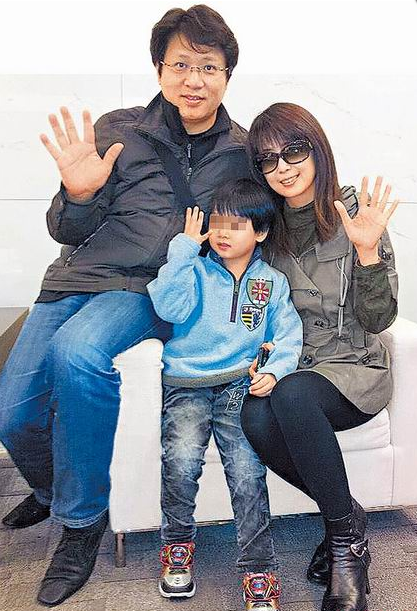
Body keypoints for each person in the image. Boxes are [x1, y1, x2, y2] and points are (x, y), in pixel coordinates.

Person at [0, 5, 252, 607]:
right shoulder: (120, 128)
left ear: (227, 76)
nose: (194, 80)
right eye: (181, 64)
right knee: (11, 414)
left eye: (209, 67)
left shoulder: (241, 152)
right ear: (159, 68)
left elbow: (260, 227)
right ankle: (54, 488)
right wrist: (77, 193)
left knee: (78, 353)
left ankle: (81, 522)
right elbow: (65, 227)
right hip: (75, 278)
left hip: (150, 288)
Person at [241, 102, 399, 611]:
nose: (283, 167)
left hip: (355, 368)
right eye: (268, 159)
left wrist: (368, 253)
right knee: (253, 414)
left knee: (291, 397)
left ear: (317, 149)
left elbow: (379, 319)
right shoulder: (264, 230)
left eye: (294, 150)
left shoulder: (355, 213)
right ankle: (348, 517)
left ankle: (346, 551)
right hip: (296, 365)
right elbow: (255, 305)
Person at [147, 178, 303, 610]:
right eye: (217, 222)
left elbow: (288, 334)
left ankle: (259, 570)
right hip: (186, 384)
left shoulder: (272, 282)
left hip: (239, 386)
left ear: (261, 232)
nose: (222, 232)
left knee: (247, 472)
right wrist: (183, 250)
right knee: (181, 462)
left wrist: (274, 370)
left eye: (236, 224)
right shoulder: (194, 270)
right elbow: (168, 307)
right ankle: (177, 547)